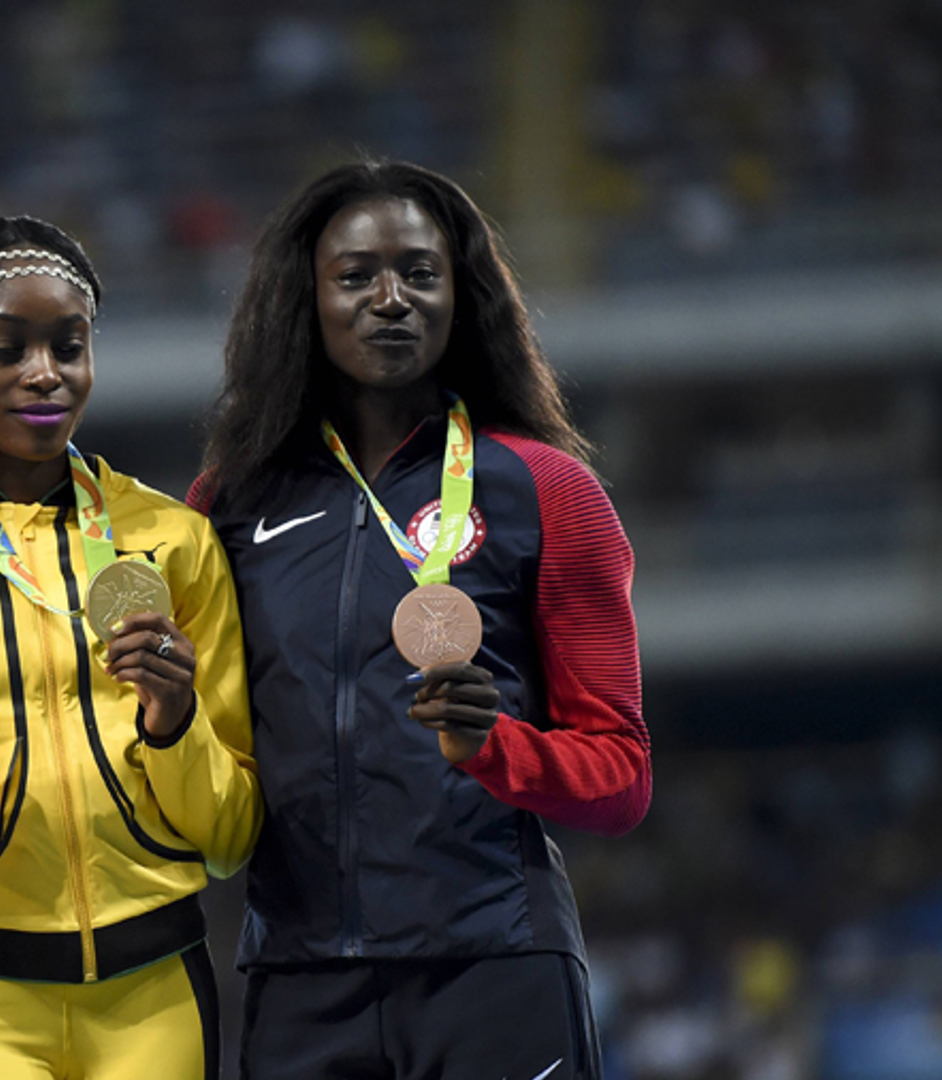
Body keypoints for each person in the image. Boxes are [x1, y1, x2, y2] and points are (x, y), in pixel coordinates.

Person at [189, 160, 650, 1079]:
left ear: (460, 295)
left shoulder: (548, 491)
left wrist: (497, 748)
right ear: (306, 300)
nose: (391, 298)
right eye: (356, 275)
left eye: (420, 273)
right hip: (299, 979)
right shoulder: (229, 507)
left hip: (494, 966)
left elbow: (622, 778)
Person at [0, 216, 262, 1080]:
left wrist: (174, 722)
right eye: (9, 349)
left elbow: (230, 836)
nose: (45, 373)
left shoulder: (172, 539)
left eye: (68, 347)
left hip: (156, 988)